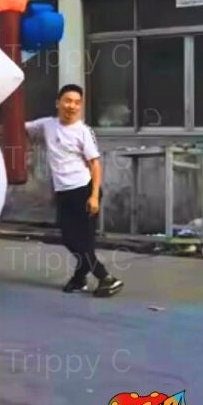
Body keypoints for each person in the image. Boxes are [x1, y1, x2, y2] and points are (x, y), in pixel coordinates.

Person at [26, 84, 124, 297]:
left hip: (84, 190)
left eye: (77, 102)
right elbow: (20, 128)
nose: (72, 106)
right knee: (77, 240)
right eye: (68, 100)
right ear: (58, 103)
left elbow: (95, 164)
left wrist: (94, 196)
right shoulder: (47, 125)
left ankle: (106, 277)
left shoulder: (83, 132)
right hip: (63, 193)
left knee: (77, 240)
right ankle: (80, 279)